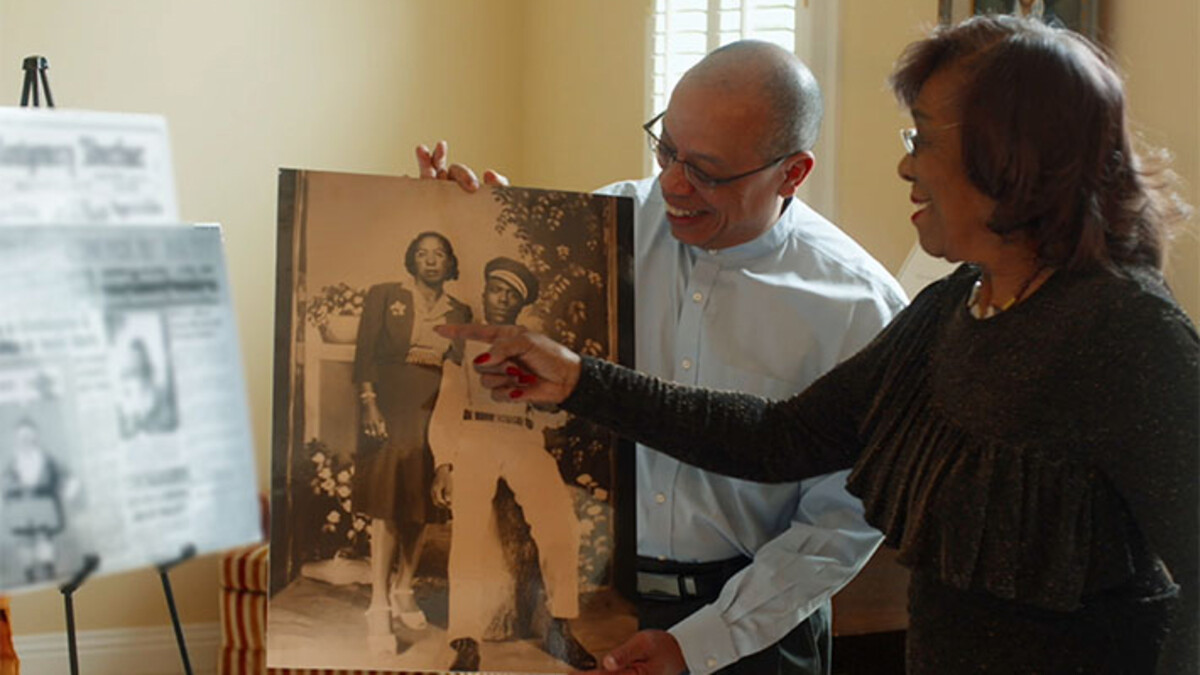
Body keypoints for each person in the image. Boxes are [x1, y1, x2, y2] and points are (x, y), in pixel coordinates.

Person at [440, 16, 1199, 675]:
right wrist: (579, 379)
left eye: (923, 139)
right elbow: (782, 437)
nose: (906, 163)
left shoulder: (1126, 331)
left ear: (1012, 161)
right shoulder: (954, 306)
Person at [417, 38, 907, 675]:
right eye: (666, 149)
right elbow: (508, 344)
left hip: (755, 629)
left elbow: (845, 518)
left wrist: (706, 638)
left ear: (792, 173)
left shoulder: (860, 308)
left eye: (706, 171)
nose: (673, 184)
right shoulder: (603, 227)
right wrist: (451, 218)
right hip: (601, 609)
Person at [426, 257, 596, 672]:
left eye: (512, 294)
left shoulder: (535, 344)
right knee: (468, 533)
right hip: (474, 437)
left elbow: (553, 406)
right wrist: (443, 461)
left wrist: (555, 412)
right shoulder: (463, 341)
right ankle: (465, 639)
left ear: (520, 305)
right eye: (496, 289)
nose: (502, 298)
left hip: (523, 437)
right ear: (483, 293)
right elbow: (449, 400)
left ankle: (561, 627)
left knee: (559, 525)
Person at [352, 230, 472, 651]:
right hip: (388, 403)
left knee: (421, 503)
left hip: (431, 410)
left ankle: (404, 586)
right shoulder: (385, 295)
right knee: (386, 503)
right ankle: (378, 605)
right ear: (411, 260)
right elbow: (365, 351)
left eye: (439, 253)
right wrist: (369, 404)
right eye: (422, 253)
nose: (431, 260)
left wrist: (451, 430)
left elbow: (459, 373)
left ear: (449, 262)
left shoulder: (461, 310)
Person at [1, 417, 80, 585]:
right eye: (22, 438)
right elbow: (5, 483)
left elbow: (65, 476)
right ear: (17, 439)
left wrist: (68, 493)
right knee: (24, 541)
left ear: (35, 437)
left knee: (44, 538)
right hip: (20, 508)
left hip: (44, 506)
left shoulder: (47, 459)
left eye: (29, 437)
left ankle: (48, 571)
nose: (26, 441)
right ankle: (29, 575)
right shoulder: (12, 462)